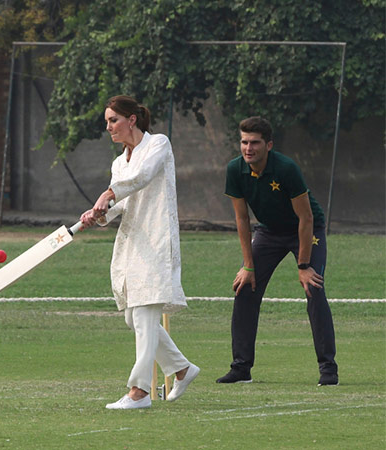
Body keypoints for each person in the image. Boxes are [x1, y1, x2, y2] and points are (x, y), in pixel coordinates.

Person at [80, 95, 199, 409]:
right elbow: (121, 203)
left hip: (158, 239)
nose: (109, 127)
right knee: (134, 318)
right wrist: (100, 214)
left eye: (113, 120)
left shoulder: (159, 144)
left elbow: (143, 177)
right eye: (107, 122)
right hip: (132, 243)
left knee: (145, 317)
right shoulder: (119, 162)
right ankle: (182, 369)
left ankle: (140, 392)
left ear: (131, 119)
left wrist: (107, 193)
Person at [217, 116, 338, 386]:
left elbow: (306, 219)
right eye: (244, 142)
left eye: (255, 143)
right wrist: (248, 266)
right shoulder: (235, 170)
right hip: (269, 232)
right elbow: (242, 220)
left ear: (268, 145)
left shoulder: (286, 169)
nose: (249, 148)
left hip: (306, 230)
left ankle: (328, 369)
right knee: (244, 288)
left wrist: (304, 266)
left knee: (313, 289)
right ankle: (241, 368)